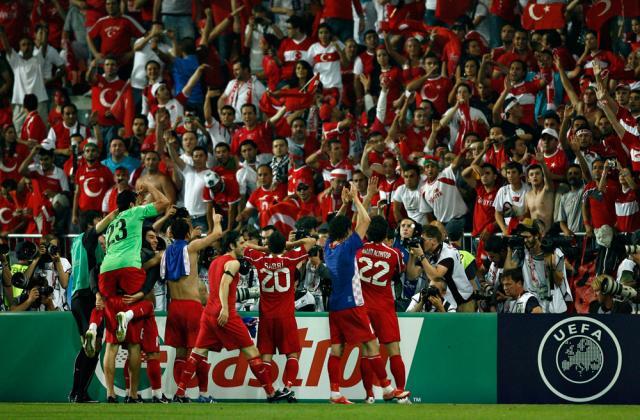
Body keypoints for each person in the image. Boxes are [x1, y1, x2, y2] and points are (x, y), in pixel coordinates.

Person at [172, 230, 291, 403]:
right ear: (231, 245)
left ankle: (180, 393)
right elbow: (224, 285)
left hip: (208, 313)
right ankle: (271, 393)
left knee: (197, 353)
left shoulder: (214, 263)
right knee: (252, 351)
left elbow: (213, 286)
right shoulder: (233, 263)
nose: (244, 246)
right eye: (241, 243)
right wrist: (226, 309)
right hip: (224, 314)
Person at [323, 182, 408, 404]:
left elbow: (335, 226)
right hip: (353, 304)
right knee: (371, 345)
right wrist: (358, 199)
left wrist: (344, 205)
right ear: (348, 232)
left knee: (336, 349)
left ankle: (335, 393)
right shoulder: (349, 246)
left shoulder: (328, 247)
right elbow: (366, 221)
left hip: (334, 306)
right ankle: (388, 388)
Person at [97, 182, 170, 403]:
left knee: (111, 342)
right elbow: (165, 202)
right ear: (131, 204)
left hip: (106, 270)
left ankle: (110, 393)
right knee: (134, 341)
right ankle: (132, 393)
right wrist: (149, 186)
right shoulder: (135, 212)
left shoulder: (110, 226)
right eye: (137, 201)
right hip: (128, 268)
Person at [244, 231, 315, 402]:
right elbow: (311, 241)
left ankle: (271, 392)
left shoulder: (259, 260)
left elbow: (245, 247)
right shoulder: (289, 259)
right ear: (284, 246)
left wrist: (263, 248)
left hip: (266, 316)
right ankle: (287, 388)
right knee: (292, 354)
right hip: (285, 316)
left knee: (266, 355)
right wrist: (290, 245)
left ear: (269, 245)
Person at [161, 210, 223, 403]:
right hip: (192, 308)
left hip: (174, 307)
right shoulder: (191, 248)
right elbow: (217, 235)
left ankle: (182, 394)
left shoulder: (164, 253)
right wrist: (216, 221)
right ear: (187, 234)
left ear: (171, 234)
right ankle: (202, 394)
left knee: (180, 352)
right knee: (199, 352)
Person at [356, 216, 410, 403]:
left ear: (369, 232)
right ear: (386, 234)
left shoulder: (359, 250)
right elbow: (402, 272)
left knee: (367, 352)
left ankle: (369, 395)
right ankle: (401, 392)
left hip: (363, 307)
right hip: (384, 306)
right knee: (394, 350)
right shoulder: (393, 254)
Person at [69, 211, 114, 402]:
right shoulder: (89, 238)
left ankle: (78, 392)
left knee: (90, 347)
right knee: (92, 347)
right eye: (98, 221)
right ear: (90, 225)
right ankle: (77, 392)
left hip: (79, 297)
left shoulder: (75, 243)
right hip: (89, 296)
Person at [510, 219, 571, 314]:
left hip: (553, 305)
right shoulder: (522, 253)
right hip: (532, 304)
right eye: (523, 237)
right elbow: (508, 273)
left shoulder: (555, 253)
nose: (525, 240)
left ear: (537, 235)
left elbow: (559, 282)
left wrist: (551, 267)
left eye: (527, 237)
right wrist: (509, 249)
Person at [408, 225, 475, 312]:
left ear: (434, 241)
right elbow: (412, 275)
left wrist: (421, 256)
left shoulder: (447, 253)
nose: (420, 242)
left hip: (463, 300)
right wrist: (412, 255)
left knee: (465, 326)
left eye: (423, 240)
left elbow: (435, 276)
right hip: (447, 300)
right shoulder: (428, 253)